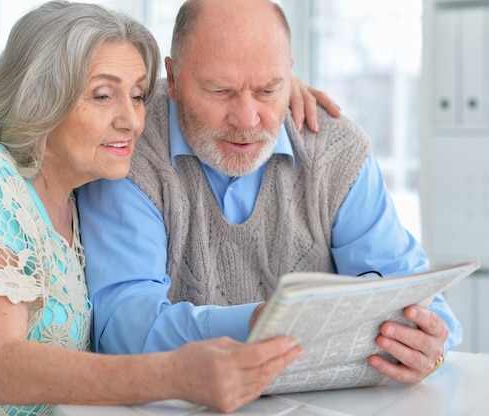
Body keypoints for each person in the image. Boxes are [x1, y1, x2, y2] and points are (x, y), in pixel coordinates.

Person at [0, 0, 361, 414]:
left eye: (138, 95)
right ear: (39, 98)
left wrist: (271, 88)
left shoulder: (74, 194)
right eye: (103, 95)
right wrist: (174, 375)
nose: (132, 120)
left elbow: (192, 93)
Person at [78, 0, 463, 387]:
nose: (247, 120)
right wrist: (262, 324)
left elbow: (423, 301)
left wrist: (428, 344)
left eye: (267, 89)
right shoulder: (127, 146)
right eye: (220, 90)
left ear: (290, 74)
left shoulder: (335, 151)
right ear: (173, 79)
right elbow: (125, 332)